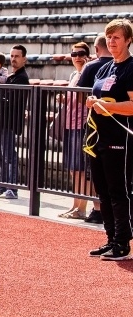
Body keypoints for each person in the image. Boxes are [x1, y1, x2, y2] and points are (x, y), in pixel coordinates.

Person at [84, 19, 133, 260]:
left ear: (128, 40)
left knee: (118, 191)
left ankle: (123, 243)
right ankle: (111, 238)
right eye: (109, 37)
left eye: (117, 38)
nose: (112, 42)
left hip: (121, 139)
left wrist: (110, 108)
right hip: (98, 138)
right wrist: (93, 102)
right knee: (103, 191)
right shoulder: (105, 68)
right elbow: (96, 94)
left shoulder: (131, 68)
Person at [56, 41, 98, 220]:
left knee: (80, 169)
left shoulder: (87, 73)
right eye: (74, 55)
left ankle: (81, 207)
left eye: (81, 54)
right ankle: (76, 205)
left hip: (81, 124)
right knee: (74, 169)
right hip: (70, 123)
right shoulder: (74, 74)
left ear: (88, 56)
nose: (77, 58)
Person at [77, 34, 112, 224]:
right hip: (102, 127)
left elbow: (81, 96)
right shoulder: (107, 67)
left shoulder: (92, 67)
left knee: (99, 172)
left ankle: (99, 210)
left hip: (97, 126)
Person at [0, 45, 30, 200]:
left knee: (9, 155)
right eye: (12, 55)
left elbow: (12, 100)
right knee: (3, 155)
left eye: (17, 56)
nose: (13, 59)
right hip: (4, 120)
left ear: (24, 59)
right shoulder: (12, 76)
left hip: (10, 121)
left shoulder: (21, 78)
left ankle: (12, 188)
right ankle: (2, 185)